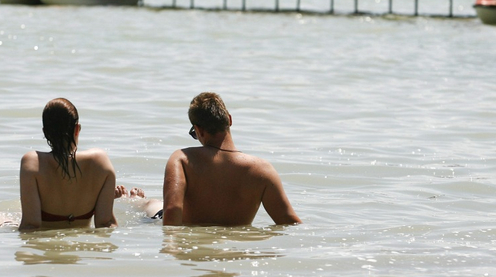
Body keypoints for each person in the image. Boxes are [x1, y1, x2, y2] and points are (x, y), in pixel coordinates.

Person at [161, 92, 302, 226]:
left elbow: (172, 210)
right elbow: (290, 222)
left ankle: (139, 200)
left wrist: (171, 248)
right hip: (234, 249)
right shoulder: (263, 170)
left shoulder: (181, 159)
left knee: (150, 205)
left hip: (193, 245)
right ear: (229, 119)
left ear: (199, 130)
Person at [18, 98, 143, 231]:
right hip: (82, 245)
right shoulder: (100, 161)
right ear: (77, 129)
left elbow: (31, 224)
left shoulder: (32, 162)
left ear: (45, 132)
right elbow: (105, 223)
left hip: (47, 241)